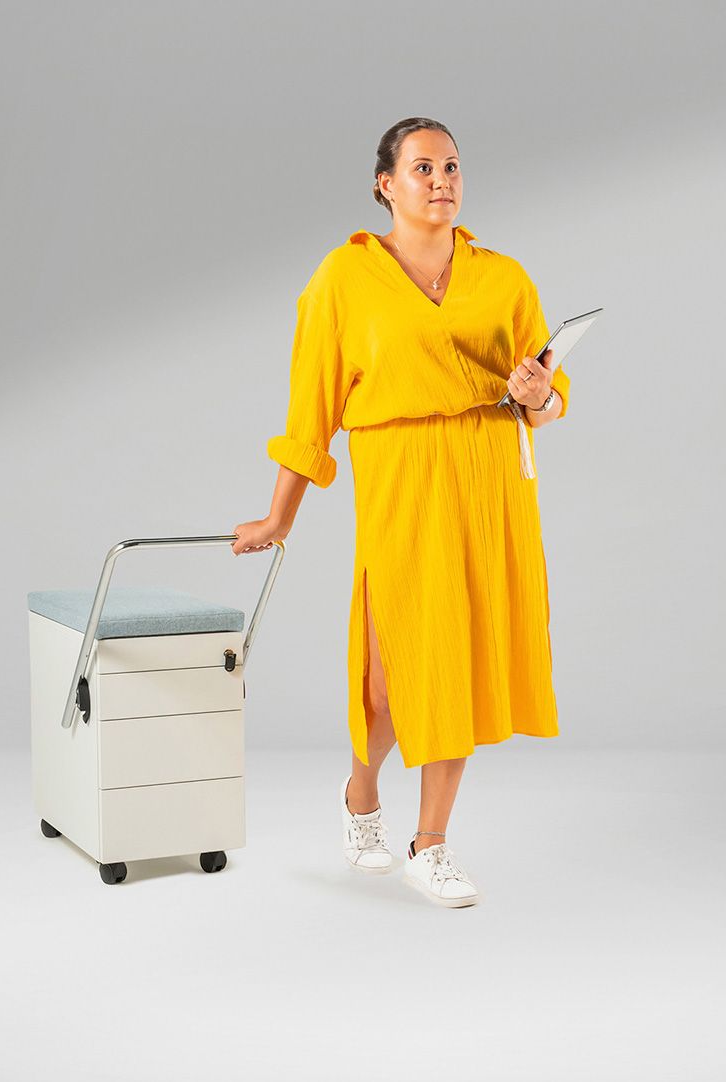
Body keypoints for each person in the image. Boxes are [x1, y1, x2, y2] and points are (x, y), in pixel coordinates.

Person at [231, 117, 570, 908]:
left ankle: (432, 842)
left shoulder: (504, 277)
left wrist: (538, 395)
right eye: (422, 168)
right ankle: (359, 794)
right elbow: (311, 410)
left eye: (451, 167)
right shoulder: (342, 281)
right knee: (388, 682)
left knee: (458, 661)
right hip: (401, 477)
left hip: (489, 478)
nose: (441, 181)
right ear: (385, 184)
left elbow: (548, 399)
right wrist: (278, 516)